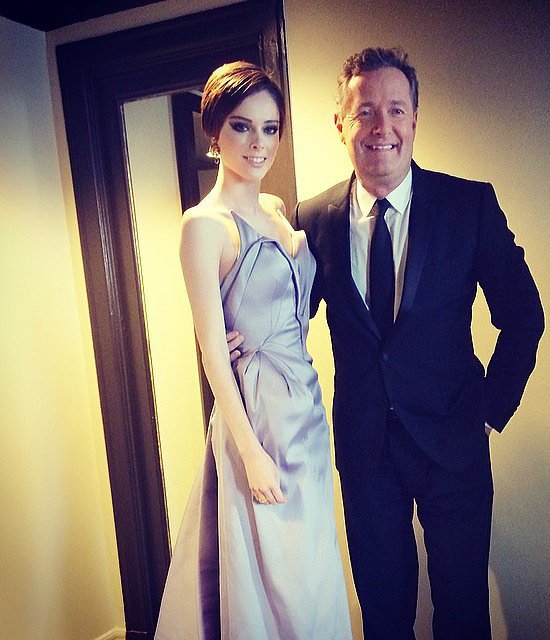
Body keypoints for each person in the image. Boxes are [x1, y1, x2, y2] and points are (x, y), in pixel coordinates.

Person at [293, 48, 545, 639]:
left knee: (462, 615)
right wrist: (244, 343)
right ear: (341, 124)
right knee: (384, 618)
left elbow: (523, 316)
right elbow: (289, 322)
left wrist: (488, 410)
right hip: (365, 451)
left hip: (453, 445)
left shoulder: (468, 206)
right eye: (364, 111)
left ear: (414, 118)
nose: (381, 126)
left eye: (396, 110)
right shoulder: (312, 219)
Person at [154, 61, 352, 640]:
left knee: (311, 570)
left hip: (305, 410)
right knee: (272, 581)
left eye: (270, 128)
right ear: (214, 131)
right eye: (242, 126)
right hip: (257, 416)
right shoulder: (203, 226)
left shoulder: (277, 211)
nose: (258, 142)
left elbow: (292, 308)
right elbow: (212, 351)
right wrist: (250, 453)